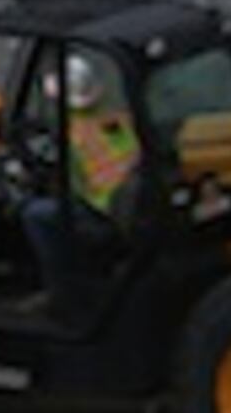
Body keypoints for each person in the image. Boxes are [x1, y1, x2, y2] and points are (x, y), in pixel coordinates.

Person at [17, 51, 144, 316]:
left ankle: (61, 291)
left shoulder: (71, 134)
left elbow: (64, 181)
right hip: (133, 205)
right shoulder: (116, 114)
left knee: (35, 214)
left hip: (106, 215)